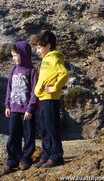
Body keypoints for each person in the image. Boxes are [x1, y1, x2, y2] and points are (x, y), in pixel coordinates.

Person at [32, 30, 69, 168]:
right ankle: (47, 154)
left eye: (39, 48)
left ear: (48, 46)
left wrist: (55, 88)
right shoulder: (46, 59)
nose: (38, 51)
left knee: (52, 127)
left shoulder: (54, 57)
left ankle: (57, 156)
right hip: (43, 98)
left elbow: (64, 73)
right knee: (45, 127)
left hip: (51, 99)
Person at [3, 41, 38, 174]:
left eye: (15, 55)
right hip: (14, 110)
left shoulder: (32, 71)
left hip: (27, 112)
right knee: (13, 135)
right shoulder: (14, 70)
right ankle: (12, 161)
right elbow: (9, 89)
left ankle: (26, 159)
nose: (13, 58)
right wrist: (7, 105)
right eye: (12, 55)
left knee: (28, 135)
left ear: (23, 54)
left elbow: (35, 92)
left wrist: (30, 109)